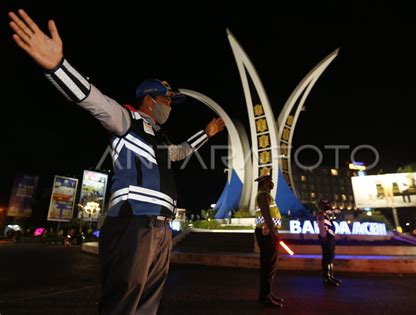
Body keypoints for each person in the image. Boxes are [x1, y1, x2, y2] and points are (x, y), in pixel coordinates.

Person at [8, 9, 225, 314]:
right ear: (149, 99)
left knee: (148, 304)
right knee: (123, 303)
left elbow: (181, 152)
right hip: (133, 223)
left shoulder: (160, 141)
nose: (170, 106)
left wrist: (207, 133)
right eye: (166, 99)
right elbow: (93, 100)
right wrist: (58, 67)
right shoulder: (128, 120)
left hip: (161, 229)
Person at [254, 174, 284, 308]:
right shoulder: (263, 196)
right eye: (269, 182)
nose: (272, 183)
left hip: (268, 233)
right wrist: (273, 233)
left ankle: (268, 294)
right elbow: (266, 215)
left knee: (271, 266)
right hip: (266, 233)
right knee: (268, 266)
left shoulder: (267, 196)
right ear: (263, 183)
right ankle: (265, 298)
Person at [317, 199, 342, 287]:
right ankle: (326, 278)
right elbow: (321, 226)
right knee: (327, 258)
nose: (328, 205)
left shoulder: (326, 215)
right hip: (326, 239)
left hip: (330, 239)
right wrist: (324, 238)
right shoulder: (321, 215)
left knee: (330, 258)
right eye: (326, 204)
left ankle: (331, 276)